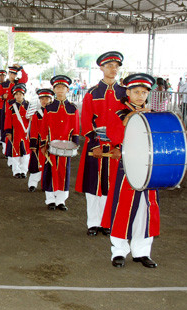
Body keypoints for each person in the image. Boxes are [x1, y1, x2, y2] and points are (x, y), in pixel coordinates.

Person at [101, 73, 159, 269]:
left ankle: (142, 251)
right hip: (127, 167)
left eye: (144, 92)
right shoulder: (119, 113)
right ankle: (119, 250)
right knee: (122, 207)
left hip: (149, 168)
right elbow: (114, 135)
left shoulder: (152, 114)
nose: (140, 96)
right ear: (128, 92)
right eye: (136, 92)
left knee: (146, 208)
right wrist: (131, 118)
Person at [75, 51, 126, 236]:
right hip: (94, 143)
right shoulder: (92, 92)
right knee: (92, 184)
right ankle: (93, 223)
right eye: (109, 66)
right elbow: (86, 119)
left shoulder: (125, 94)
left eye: (116, 66)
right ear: (102, 68)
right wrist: (95, 144)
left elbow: (127, 122)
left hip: (116, 146)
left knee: (111, 184)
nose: (113, 69)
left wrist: (119, 146)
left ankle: (107, 222)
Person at [40, 75, 79, 211]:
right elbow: (44, 127)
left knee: (64, 171)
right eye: (57, 87)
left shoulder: (73, 108)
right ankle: (50, 199)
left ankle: (61, 200)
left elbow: (76, 129)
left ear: (68, 89)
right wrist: (43, 144)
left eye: (63, 87)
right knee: (50, 171)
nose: (60, 90)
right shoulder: (49, 107)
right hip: (51, 145)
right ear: (54, 89)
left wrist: (75, 144)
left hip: (66, 147)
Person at [28, 88, 54, 192]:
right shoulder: (36, 114)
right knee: (36, 164)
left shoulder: (53, 112)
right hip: (39, 144)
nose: (44, 101)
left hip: (51, 144)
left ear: (51, 99)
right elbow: (33, 131)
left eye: (47, 98)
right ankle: (32, 184)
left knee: (49, 165)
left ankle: (46, 185)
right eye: (42, 98)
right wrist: (33, 146)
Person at [4, 82, 31, 179]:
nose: (18, 96)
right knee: (15, 153)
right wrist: (8, 132)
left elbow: (33, 120)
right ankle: (16, 171)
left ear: (24, 95)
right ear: (14, 95)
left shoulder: (29, 106)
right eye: (16, 94)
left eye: (20, 94)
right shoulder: (11, 107)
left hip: (26, 133)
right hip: (15, 133)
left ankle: (24, 170)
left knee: (26, 153)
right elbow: (7, 120)